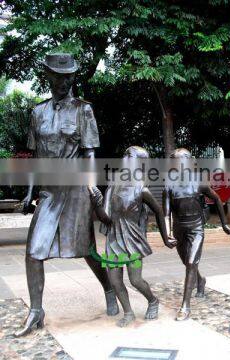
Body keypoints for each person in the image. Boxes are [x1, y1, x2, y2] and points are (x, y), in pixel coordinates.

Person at [15, 53, 118, 337]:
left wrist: (90, 183)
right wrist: (30, 192)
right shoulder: (38, 113)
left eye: (69, 76)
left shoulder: (83, 110)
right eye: (59, 76)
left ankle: (109, 287)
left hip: (75, 189)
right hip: (49, 192)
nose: (65, 81)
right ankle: (36, 310)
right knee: (34, 251)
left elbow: (89, 152)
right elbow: (36, 158)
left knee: (85, 249)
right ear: (48, 76)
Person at [89, 146, 177, 327]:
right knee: (115, 281)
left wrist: (166, 237)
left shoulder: (141, 189)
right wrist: (97, 202)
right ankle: (128, 312)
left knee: (135, 280)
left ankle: (153, 300)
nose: (124, 157)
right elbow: (105, 218)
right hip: (114, 241)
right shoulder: (113, 185)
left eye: (129, 155)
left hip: (133, 241)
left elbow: (160, 212)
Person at [163, 148, 230, 321]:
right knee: (188, 263)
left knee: (191, 262)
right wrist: (167, 233)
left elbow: (216, 199)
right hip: (180, 229)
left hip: (196, 228)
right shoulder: (169, 185)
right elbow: (166, 213)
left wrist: (224, 224)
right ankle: (200, 281)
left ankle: (185, 306)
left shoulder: (199, 183)